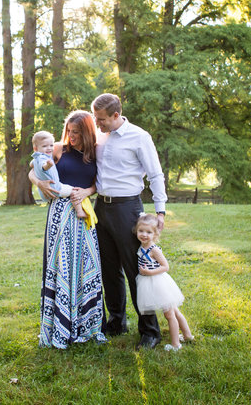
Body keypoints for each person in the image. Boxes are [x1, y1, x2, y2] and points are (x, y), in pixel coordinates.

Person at [91, 92, 167, 350]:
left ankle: (150, 331)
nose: (97, 123)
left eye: (101, 119)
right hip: (101, 208)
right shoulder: (99, 134)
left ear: (115, 115)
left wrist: (160, 211)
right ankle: (116, 321)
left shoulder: (139, 137)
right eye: (95, 118)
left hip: (127, 209)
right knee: (109, 269)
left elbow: (156, 174)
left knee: (136, 270)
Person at [32, 111, 106, 348]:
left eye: (77, 132)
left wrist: (88, 191)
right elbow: (33, 168)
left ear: (86, 131)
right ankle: (59, 326)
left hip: (84, 214)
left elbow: (99, 182)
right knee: (61, 264)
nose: (71, 136)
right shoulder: (58, 149)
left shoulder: (96, 152)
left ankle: (87, 325)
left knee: (86, 264)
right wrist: (39, 182)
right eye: (69, 131)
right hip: (60, 215)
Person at [134, 213, 193, 351]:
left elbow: (166, 267)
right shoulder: (142, 245)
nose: (144, 234)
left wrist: (149, 272)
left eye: (149, 232)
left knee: (170, 314)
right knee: (175, 311)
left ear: (155, 234)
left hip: (159, 283)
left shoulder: (153, 249)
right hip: (150, 283)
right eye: (141, 231)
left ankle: (175, 344)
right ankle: (188, 335)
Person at [31, 130, 86, 218]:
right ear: (36, 148)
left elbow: (32, 164)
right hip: (56, 188)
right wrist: (48, 165)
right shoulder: (43, 158)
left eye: (51, 145)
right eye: (45, 146)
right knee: (74, 192)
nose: (49, 148)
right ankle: (79, 211)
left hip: (47, 191)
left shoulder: (36, 157)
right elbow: (43, 166)